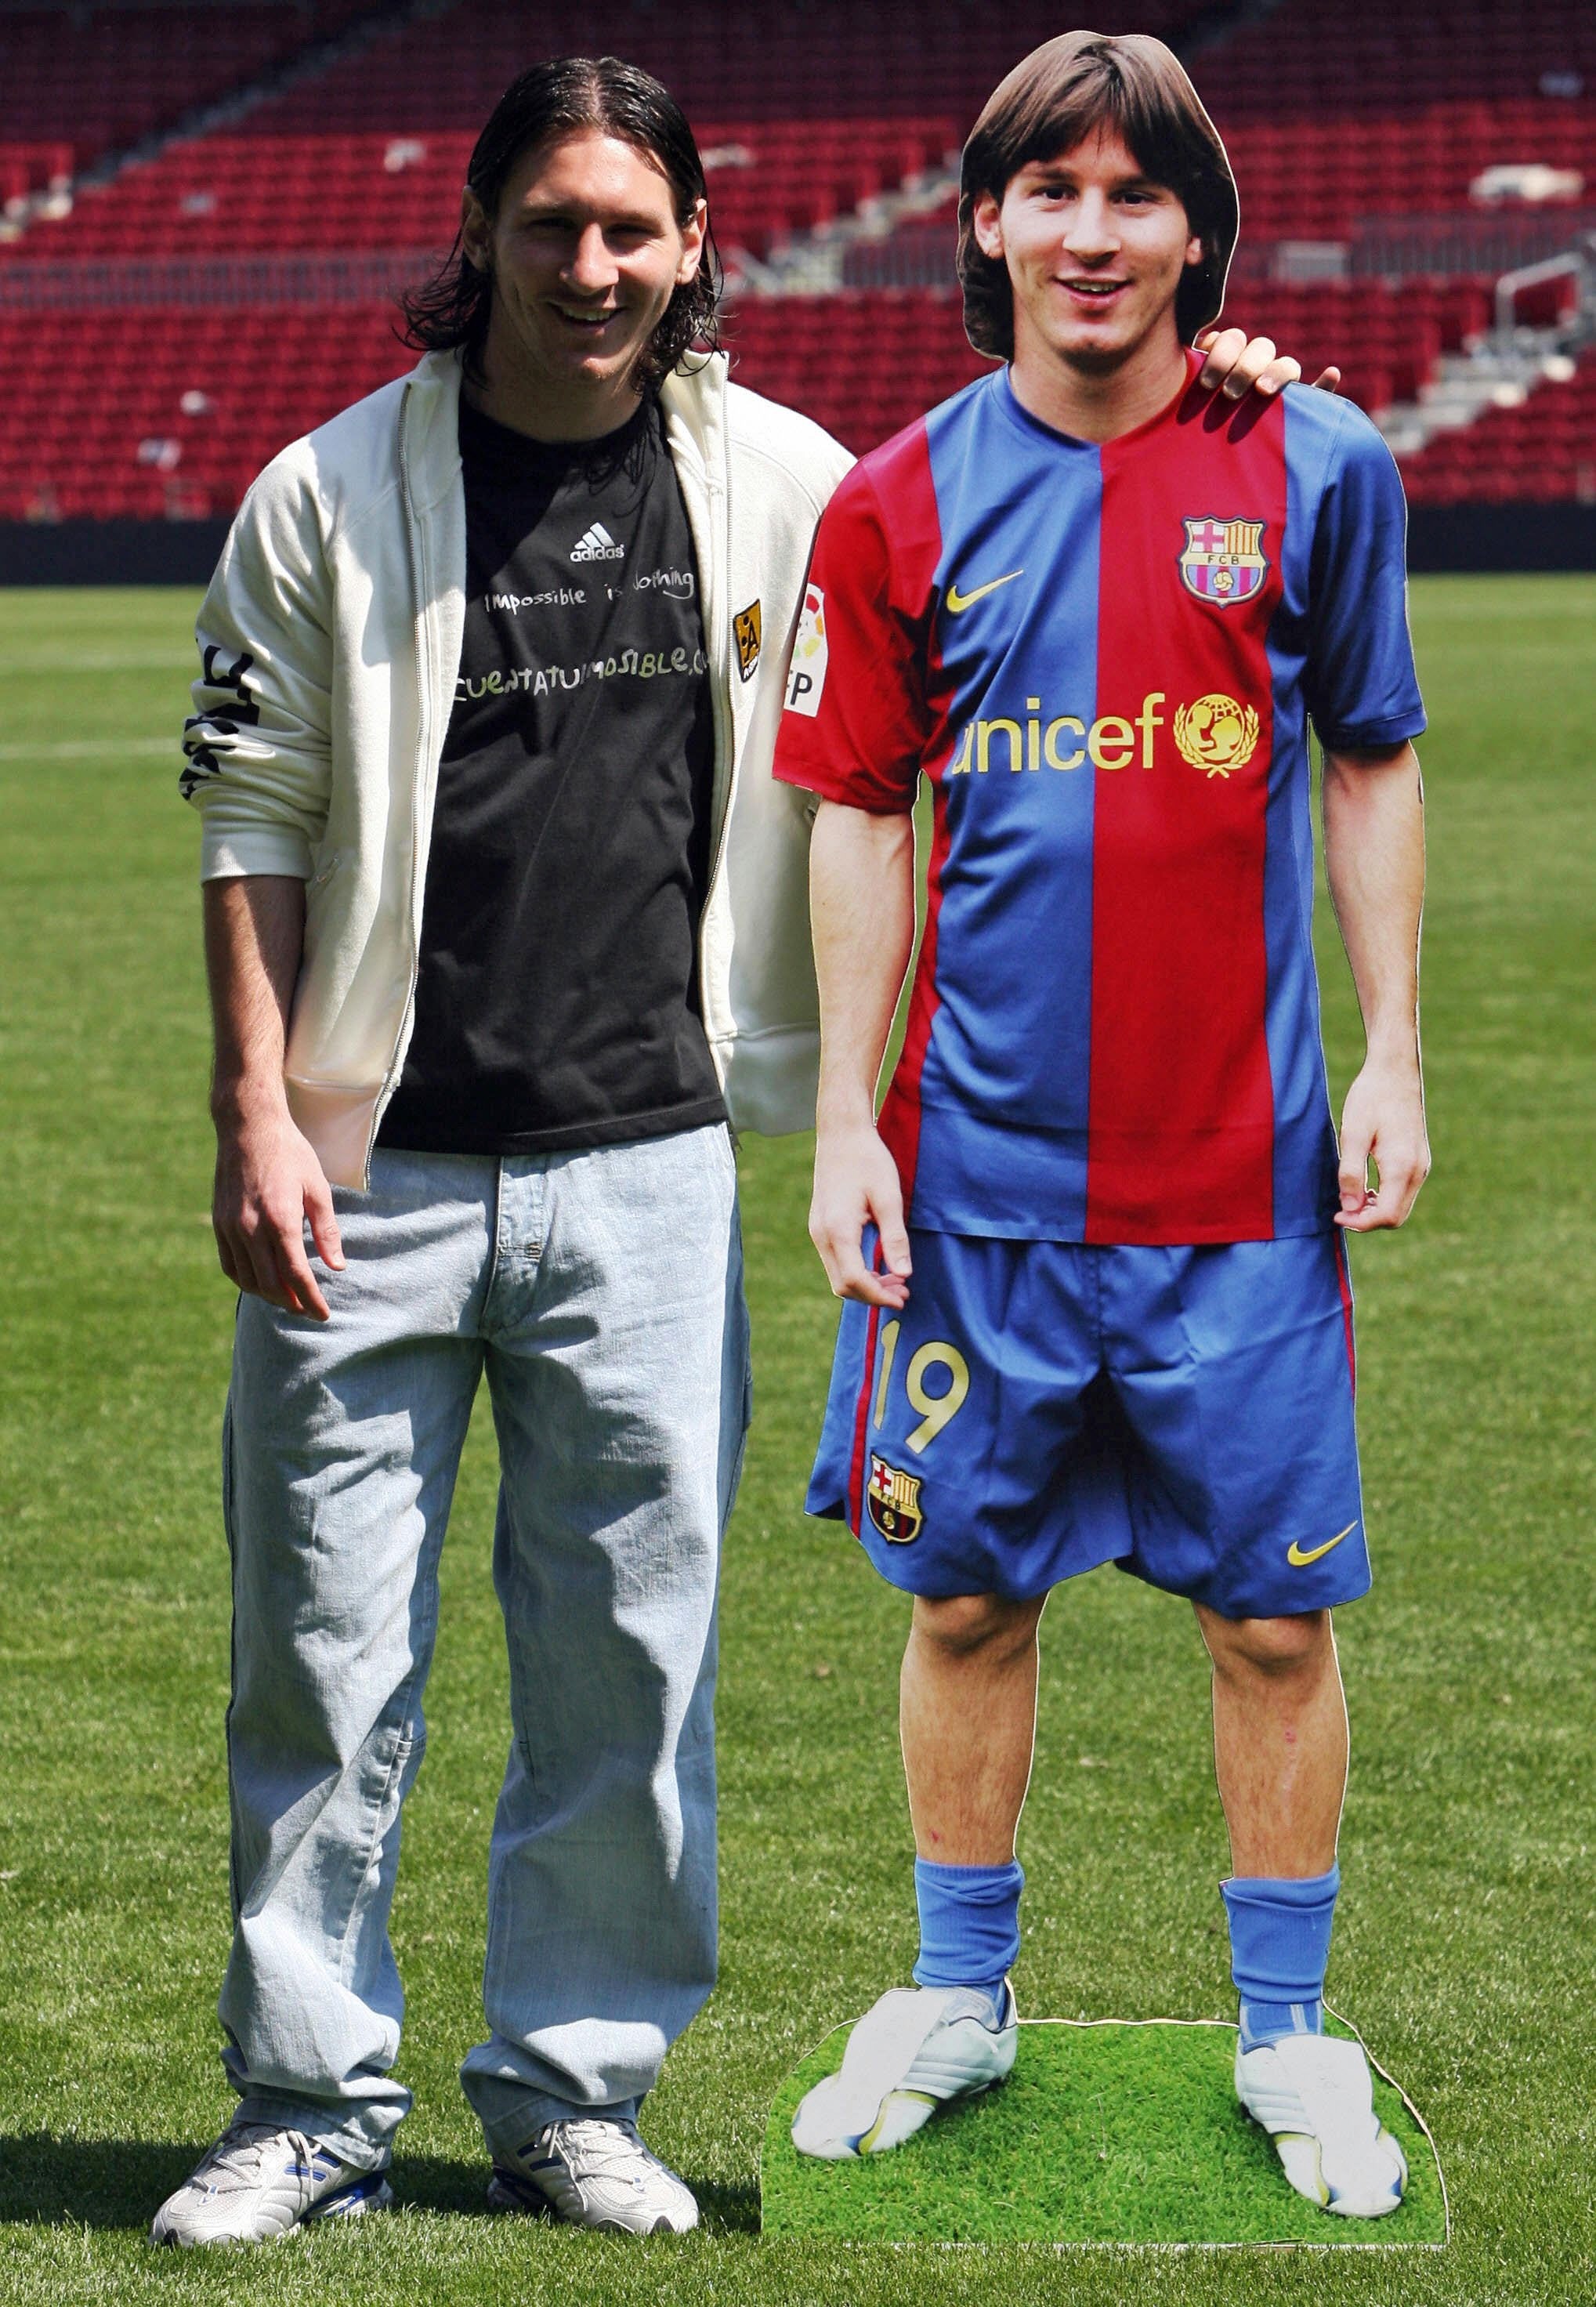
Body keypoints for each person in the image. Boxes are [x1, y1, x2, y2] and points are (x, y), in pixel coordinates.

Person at [154, 45, 1325, 2250]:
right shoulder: (327, 491)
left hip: (654, 1166)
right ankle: (307, 2104)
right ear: (482, 233)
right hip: (368, 1165)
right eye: (550, 224)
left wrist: (1215, 385)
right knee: (320, 1656)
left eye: (630, 229)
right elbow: (252, 805)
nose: (590, 267)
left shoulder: (800, 485)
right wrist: (252, 1109)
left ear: (697, 245)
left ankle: (570, 2089)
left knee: (634, 1660)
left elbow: (1061, 495)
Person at [775, 31, 1428, 2221]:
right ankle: (960, 1995)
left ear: (1192, 230)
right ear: (982, 223)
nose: (1090, 231)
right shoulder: (899, 498)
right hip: (973, 1188)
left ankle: (1289, 2035)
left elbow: (1375, 761)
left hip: (1238, 1185)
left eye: (1133, 194)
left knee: (1271, 1625)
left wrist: (1401, 1053)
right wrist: (850, 1126)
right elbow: (857, 814)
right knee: (963, 1601)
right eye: (1047, 190)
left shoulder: (1315, 462)